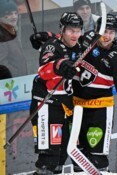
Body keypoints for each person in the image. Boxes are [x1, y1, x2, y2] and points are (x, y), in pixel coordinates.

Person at [70, 13, 117, 172]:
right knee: (77, 155)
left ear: (116, 34)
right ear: (97, 30)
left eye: (112, 32)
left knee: (97, 157)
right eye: (105, 31)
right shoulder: (86, 39)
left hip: (99, 110)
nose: (107, 35)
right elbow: (65, 40)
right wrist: (48, 38)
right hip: (74, 107)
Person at [29, 12, 83, 174]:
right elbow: (44, 70)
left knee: (68, 151)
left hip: (67, 104)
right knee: (49, 156)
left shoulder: (80, 45)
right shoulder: (52, 46)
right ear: (62, 30)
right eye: (70, 30)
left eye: (78, 30)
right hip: (47, 104)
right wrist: (60, 65)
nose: (75, 35)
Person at [0, 0, 27, 77]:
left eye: (15, 13)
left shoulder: (11, 32)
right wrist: (16, 74)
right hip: (10, 83)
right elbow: (2, 63)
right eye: (9, 14)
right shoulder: (2, 36)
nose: (14, 16)